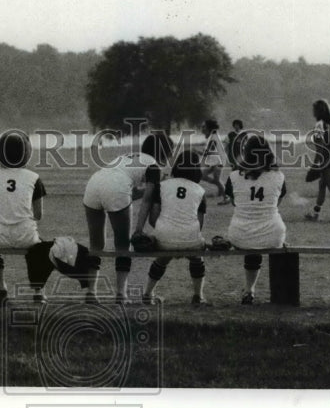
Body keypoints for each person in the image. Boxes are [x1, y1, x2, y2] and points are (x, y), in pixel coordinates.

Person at [82, 130, 173, 303]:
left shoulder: (128, 156)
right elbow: (146, 200)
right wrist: (139, 229)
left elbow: (130, 192)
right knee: (123, 244)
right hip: (116, 187)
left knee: (96, 244)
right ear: (164, 153)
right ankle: (121, 294)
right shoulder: (154, 165)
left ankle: (91, 293)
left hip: (93, 184)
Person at [223, 133, 287, 305]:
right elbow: (277, 202)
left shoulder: (234, 176)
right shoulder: (279, 176)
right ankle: (256, 290)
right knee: (265, 234)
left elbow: (236, 203)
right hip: (273, 234)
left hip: (239, 234)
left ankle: (249, 289)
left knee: (252, 239)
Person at [138, 151, 209, 305]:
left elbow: (153, 218)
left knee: (163, 257)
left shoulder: (162, 186)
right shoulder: (200, 191)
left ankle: (147, 294)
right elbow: (200, 224)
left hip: (164, 237)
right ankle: (198, 296)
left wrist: (166, 229)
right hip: (191, 239)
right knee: (197, 257)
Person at [0, 130, 46, 298]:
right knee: (38, 250)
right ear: (26, 153)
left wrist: (2, 219)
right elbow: (38, 215)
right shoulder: (34, 177)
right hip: (26, 235)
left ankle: (1, 286)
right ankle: (38, 291)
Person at [303, 99, 330, 223]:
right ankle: (316, 213)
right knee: (322, 186)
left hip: (326, 158)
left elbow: (320, 147)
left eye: (314, 110)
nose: (313, 112)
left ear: (318, 111)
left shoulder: (319, 125)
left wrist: (315, 165)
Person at [199, 118, 227, 200]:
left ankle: (226, 196)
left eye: (204, 127)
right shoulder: (211, 137)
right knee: (203, 176)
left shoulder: (213, 137)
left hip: (218, 162)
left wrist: (195, 151)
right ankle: (221, 191)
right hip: (213, 162)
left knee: (216, 180)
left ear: (208, 128)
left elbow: (207, 152)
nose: (202, 128)